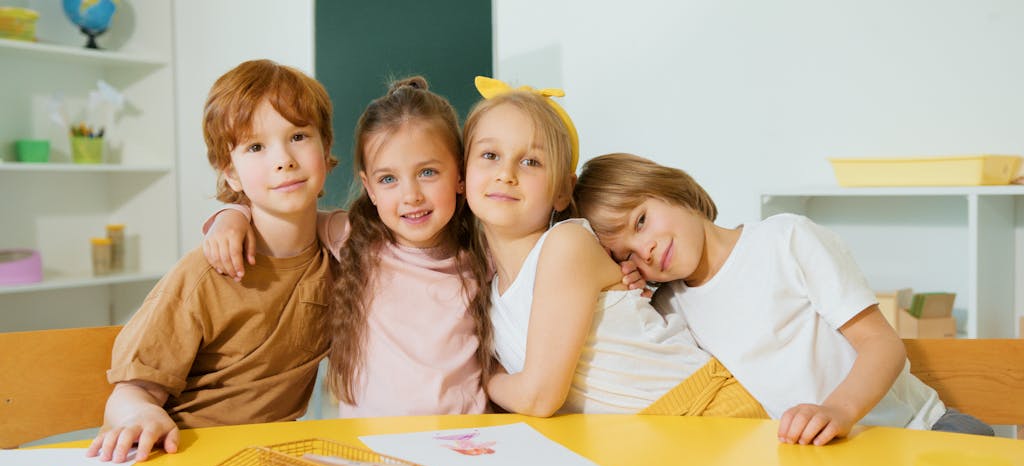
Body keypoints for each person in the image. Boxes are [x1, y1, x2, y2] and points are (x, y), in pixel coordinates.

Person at [573, 152, 995, 444]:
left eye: (641, 221)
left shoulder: (785, 239)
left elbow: (881, 344)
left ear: (672, 190)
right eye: (625, 254)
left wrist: (839, 411)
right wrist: (628, 286)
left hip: (919, 432)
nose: (643, 249)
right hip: (831, 457)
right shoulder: (671, 304)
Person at [463, 77, 767, 418]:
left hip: (704, 410)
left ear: (564, 191)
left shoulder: (567, 245)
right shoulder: (490, 294)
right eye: (490, 155)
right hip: (636, 438)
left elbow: (539, 398)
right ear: (463, 174)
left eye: (531, 162)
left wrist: (480, 376)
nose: (506, 173)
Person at [87, 59, 336, 463]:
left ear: (325, 148)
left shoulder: (341, 258)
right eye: (256, 147)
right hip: (178, 453)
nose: (284, 159)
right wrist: (140, 415)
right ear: (230, 173)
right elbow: (131, 392)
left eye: (299, 136)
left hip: (267, 461)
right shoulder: (205, 272)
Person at [200, 76, 493, 418]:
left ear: (460, 175)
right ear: (370, 188)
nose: (411, 195)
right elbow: (282, 215)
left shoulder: (483, 253)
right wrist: (231, 214)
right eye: (388, 179)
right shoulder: (355, 238)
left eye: (427, 172)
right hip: (373, 451)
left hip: (464, 441)